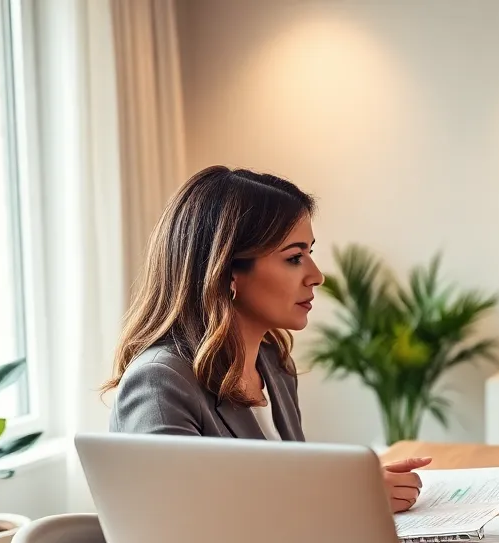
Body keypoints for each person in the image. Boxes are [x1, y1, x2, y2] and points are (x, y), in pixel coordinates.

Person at [102, 165, 431, 513]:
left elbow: (288, 492)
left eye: (310, 253)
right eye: (294, 258)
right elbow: (181, 521)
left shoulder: (273, 364)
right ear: (227, 272)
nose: (316, 276)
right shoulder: (159, 382)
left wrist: (358, 484)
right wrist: (348, 495)